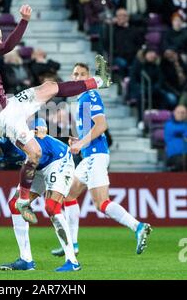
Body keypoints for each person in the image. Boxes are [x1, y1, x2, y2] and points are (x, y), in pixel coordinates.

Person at [0, 4, 111, 223]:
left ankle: (100, 81)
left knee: (49, 87)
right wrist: (24, 21)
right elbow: (9, 46)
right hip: (3, 116)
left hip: (6, 107)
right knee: (34, 153)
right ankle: (23, 200)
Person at [50, 62, 152, 257]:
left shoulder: (90, 95)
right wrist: (79, 140)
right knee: (69, 196)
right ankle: (73, 244)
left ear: (89, 79)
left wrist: (81, 144)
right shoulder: (81, 100)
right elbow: (91, 129)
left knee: (101, 203)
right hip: (90, 156)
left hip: (95, 156)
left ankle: (138, 227)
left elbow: (101, 125)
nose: (77, 77)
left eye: (82, 74)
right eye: (75, 74)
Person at [0, 119, 81, 272]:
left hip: (57, 159)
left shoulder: (8, 136)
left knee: (52, 207)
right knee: (14, 204)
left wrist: (40, 127)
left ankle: (72, 261)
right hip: (36, 168)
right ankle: (26, 260)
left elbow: (32, 119)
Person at [164, 105, 187, 171]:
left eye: (183, 113)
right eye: (178, 112)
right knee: (181, 162)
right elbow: (175, 130)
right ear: (174, 113)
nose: (181, 114)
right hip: (174, 156)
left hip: (185, 156)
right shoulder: (169, 124)